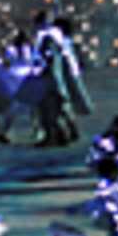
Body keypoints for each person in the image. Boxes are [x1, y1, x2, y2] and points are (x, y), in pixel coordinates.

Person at [13, 11, 92, 147]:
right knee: (60, 109)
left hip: (50, 81)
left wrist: (43, 72)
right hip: (57, 80)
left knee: (50, 111)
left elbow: (48, 59)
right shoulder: (57, 37)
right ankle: (66, 134)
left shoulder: (47, 38)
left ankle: (56, 136)